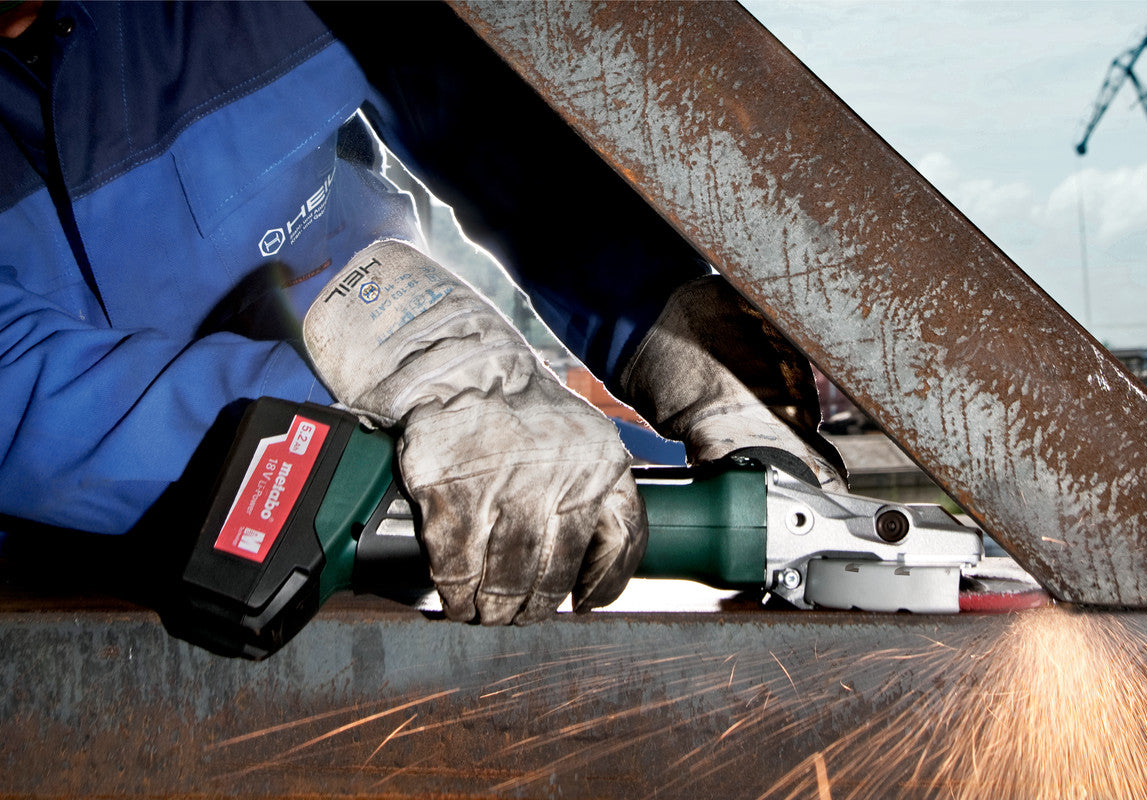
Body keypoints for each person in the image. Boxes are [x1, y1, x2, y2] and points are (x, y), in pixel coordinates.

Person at [0, 1, 845, 624]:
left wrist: (664, 323)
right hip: (58, 603)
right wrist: (362, 389)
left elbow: (485, 121)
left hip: (408, 519)